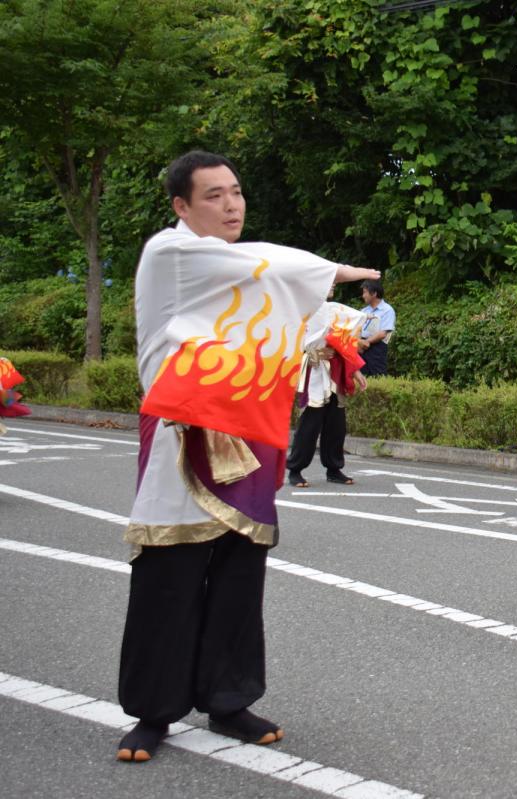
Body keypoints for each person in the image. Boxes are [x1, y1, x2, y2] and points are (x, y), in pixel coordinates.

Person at [117, 151, 379, 763]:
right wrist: (335, 269)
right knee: (169, 577)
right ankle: (154, 712)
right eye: (213, 196)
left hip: (248, 432)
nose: (231, 204)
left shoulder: (248, 267)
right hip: (183, 438)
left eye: (235, 192)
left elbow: (286, 301)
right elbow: (272, 265)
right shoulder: (171, 254)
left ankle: (228, 698)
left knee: (240, 571)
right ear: (181, 207)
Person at [287, 295, 369, 488]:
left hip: (334, 370)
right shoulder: (301, 308)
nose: (332, 285)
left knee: (336, 424)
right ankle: (295, 469)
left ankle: (334, 468)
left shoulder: (334, 310)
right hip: (313, 371)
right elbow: (289, 341)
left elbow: (343, 343)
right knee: (310, 424)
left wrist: (355, 370)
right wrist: (314, 352)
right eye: (329, 281)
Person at [358, 279, 394, 377]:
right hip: (362, 347)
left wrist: (366, 342)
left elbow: (383, 333)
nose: (363, 295)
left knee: (378, 375)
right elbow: (357, 329)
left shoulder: (387, 310)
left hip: (377, 347)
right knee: (361, 376)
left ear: (374, 293)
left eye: (365, 292)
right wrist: (359, 343)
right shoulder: (363, 311)